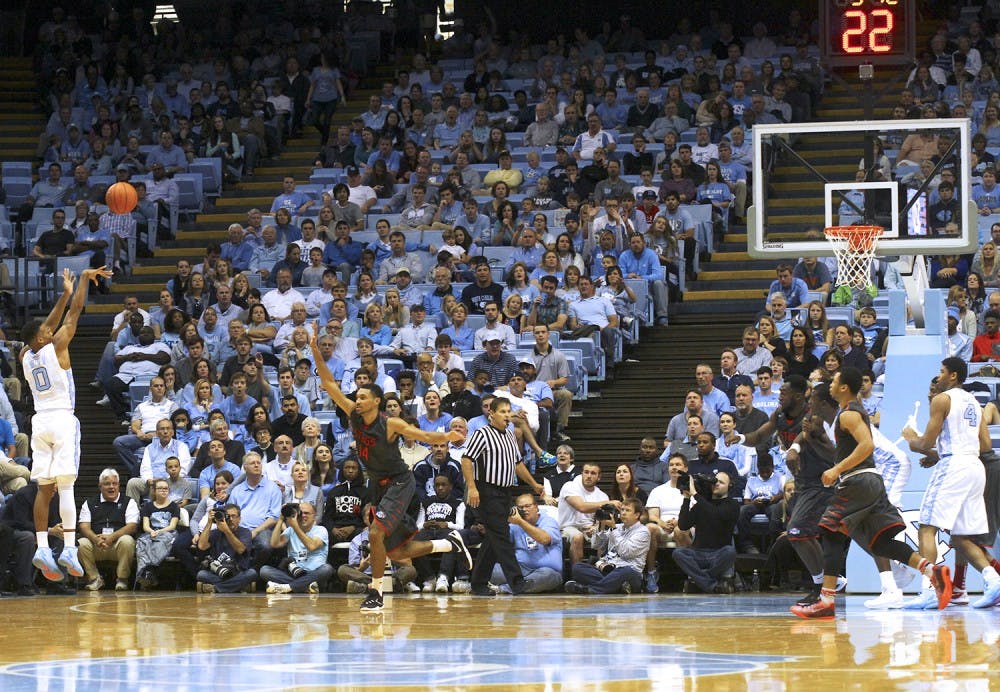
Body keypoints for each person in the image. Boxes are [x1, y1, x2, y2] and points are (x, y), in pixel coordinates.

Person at [309, 326, 471, 612]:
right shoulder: (354, 415)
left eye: (361, 397)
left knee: (374, 534)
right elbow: (329, 383)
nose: (356, 400)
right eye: (356, 397)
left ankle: (376, 593)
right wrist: (314, 350)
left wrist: (447, 437)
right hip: (378, 484)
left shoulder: (390, 423)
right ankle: (448, 544)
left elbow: (425, 436)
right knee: (395, 550)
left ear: (376, 401)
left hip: (399, 481)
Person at [791, 367, 953, 619]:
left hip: (859, 481)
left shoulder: (848, 414)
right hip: (870, 482)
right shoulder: (849, 413)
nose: (831, 384)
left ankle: (826, 600)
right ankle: (932, 571)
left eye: (834, 380)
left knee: (830, 531)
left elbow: (867, 446)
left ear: (844, 387)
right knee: (880, 543)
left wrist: (836, 470)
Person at [22, 266, 111, 583]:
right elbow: (73, 313)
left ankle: (43, 547)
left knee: (43, 490)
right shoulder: (58, 345)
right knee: (66, 485)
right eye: (46, 330)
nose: (50, 329)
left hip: (39, 422)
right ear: (43, 337)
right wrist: (81, 283)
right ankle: (70, 548)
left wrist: (63, 292)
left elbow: (48, 322)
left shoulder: (24, 354)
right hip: (61, 419)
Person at [900, 358, 1000, 610]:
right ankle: (993, 580)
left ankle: (929, 590)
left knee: (926, 527)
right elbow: (986, 445)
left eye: (942, 372)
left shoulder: (942, 400)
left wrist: (911, 437)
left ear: (953, 375)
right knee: (961, 537)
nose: (939, 376)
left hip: (954, 466)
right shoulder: (975, 403)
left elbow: (924, 443)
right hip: (976, 468)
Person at [461, 396, 545, 597]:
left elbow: (517, 464)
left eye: (509, 411)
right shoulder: (482, 434)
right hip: (486, 491)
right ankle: (517, 582)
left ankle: (478, 583)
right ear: (491, 413)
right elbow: (466, 459)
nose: (507, 415)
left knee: (493, 537)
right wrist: (472, 488)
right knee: (502, 534)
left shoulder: (509, 435)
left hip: (505, 492)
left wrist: (533, 484)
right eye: (503, 412)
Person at [564, 498, 650, 595]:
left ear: (637, 514)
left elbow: (626, 552)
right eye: (622, 510)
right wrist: (600, 527)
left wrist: (613, 529)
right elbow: (596, 545)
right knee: (578, 568)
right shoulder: (618, 527)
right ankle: (617, 587)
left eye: (628, 510)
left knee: (626, 571)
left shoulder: (643, 531)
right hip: (608, 570)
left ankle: (589, 589)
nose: (623, 513)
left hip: (630, 573)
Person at [672, 472, 739, 593]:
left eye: (721, 482)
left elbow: (716, 514)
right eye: (715, 481)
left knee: (730, 552)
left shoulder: (732, 504)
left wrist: (695, 494)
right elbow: (683, 525)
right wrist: (686, 499)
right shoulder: (701, 504)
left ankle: (698, 581)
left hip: (719, 553)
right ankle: (711, 585)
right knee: (678, 553)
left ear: (730, 486)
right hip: (698, 553)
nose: (717, 484)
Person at [77, 468, 140, 591]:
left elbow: (132, 526)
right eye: (107, 484)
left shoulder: (129, 502)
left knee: (127, 540)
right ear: (100, 486)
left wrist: (112, 537)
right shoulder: (89, 503)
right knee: (81, 543)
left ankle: (122, 579)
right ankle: (95, 579)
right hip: (97, 545)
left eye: (114, 484)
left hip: (117, 546)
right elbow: (83, 526)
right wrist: (96, 539)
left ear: (118, 485)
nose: (111, 487)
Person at [488, 493, 563, 594]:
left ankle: (505, 588)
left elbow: (544, 539)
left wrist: (520, 522)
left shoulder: (548, 521)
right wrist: (501, 523)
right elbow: (501, 545)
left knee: (548, 577)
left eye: (528, 506)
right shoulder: (514, 525)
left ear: (536, 507)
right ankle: (520, 586)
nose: (524, 510)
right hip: (519, 570)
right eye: (520, 507)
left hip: (545, 571)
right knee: (490, 570)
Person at [261, 501, 334, 594]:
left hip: (314, 573)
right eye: (300, 513)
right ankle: (304, 587)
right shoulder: (290, 530)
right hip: (295, 574)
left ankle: (287, 587)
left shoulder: (320, 530)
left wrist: (295, 526)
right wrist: (280, 520)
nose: (303, 515)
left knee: (326, 569)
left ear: (314, 516)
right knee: (265, 570)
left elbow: (311, 546)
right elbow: (274, 544)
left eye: (306, 513)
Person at [195, 502, 258, 593]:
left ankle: (216, 588)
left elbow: (240, 550)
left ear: (239, 519)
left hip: (238, 572)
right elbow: (201, 546)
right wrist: (209, 523)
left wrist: (226, 531)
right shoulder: (216, 532)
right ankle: (239, 586)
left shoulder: (245, 532)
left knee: (251, 573)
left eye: (234, 516)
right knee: (201, 574)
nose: (231, 519)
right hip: (219, 572)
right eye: (228, 516)